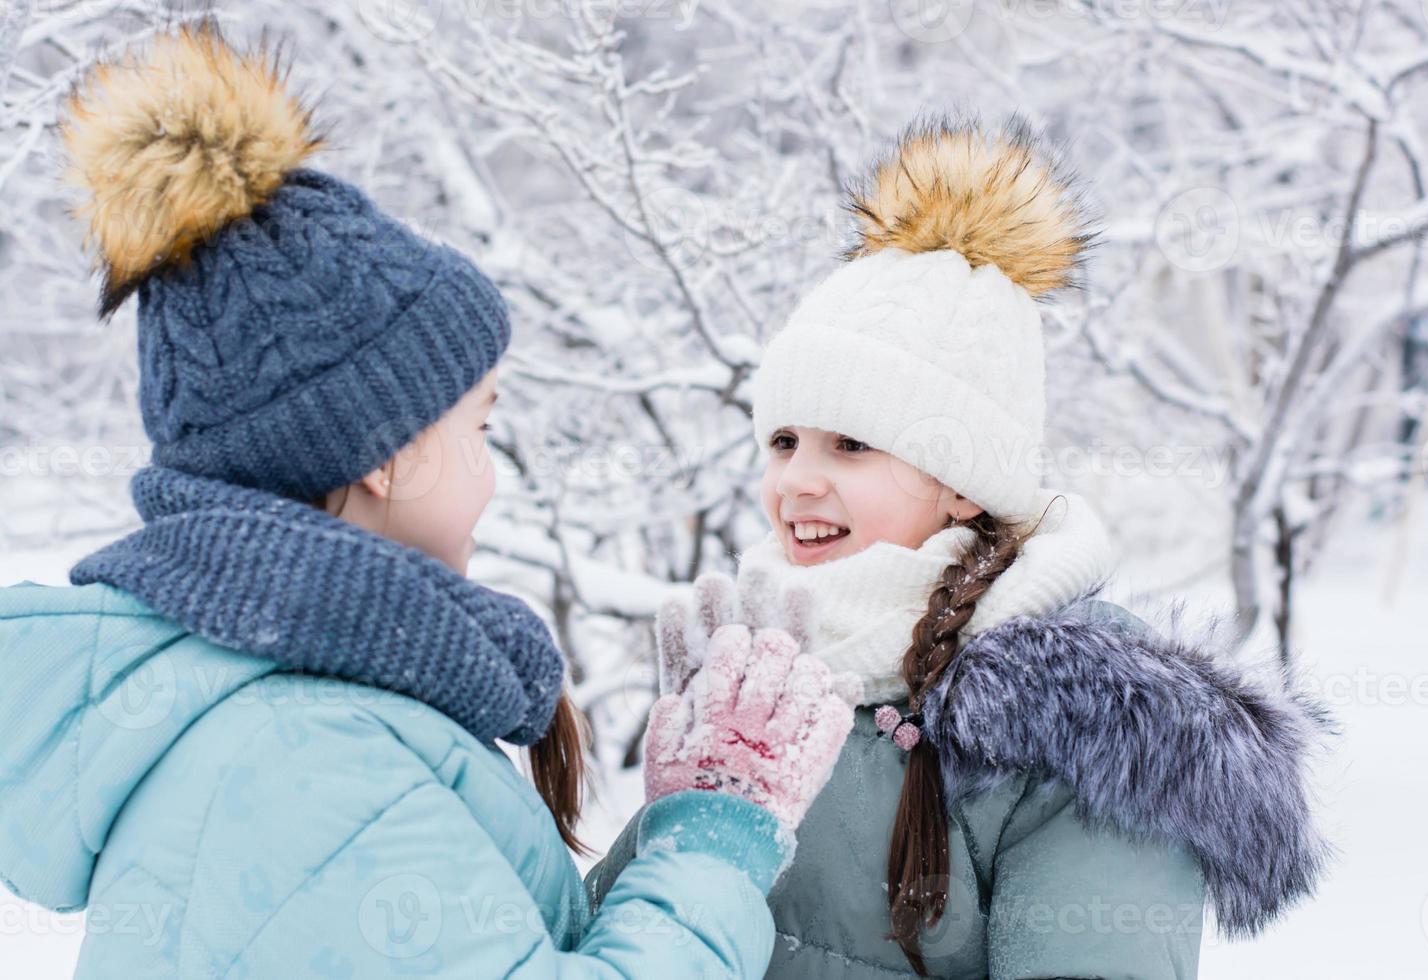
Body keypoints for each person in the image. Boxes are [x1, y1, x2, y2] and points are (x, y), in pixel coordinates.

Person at [0, 24, 857, 977]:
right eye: (481, 429)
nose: (492, 474)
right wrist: (713, 845)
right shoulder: (309, 754)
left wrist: (681, 827)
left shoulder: (291, 710)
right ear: (382, 451)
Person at [588, 116, 1337, 978]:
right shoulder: (761, 674)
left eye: (852, 446)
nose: (797, 480)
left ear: (963, 481)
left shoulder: (1095, 724)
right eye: (784, 441)